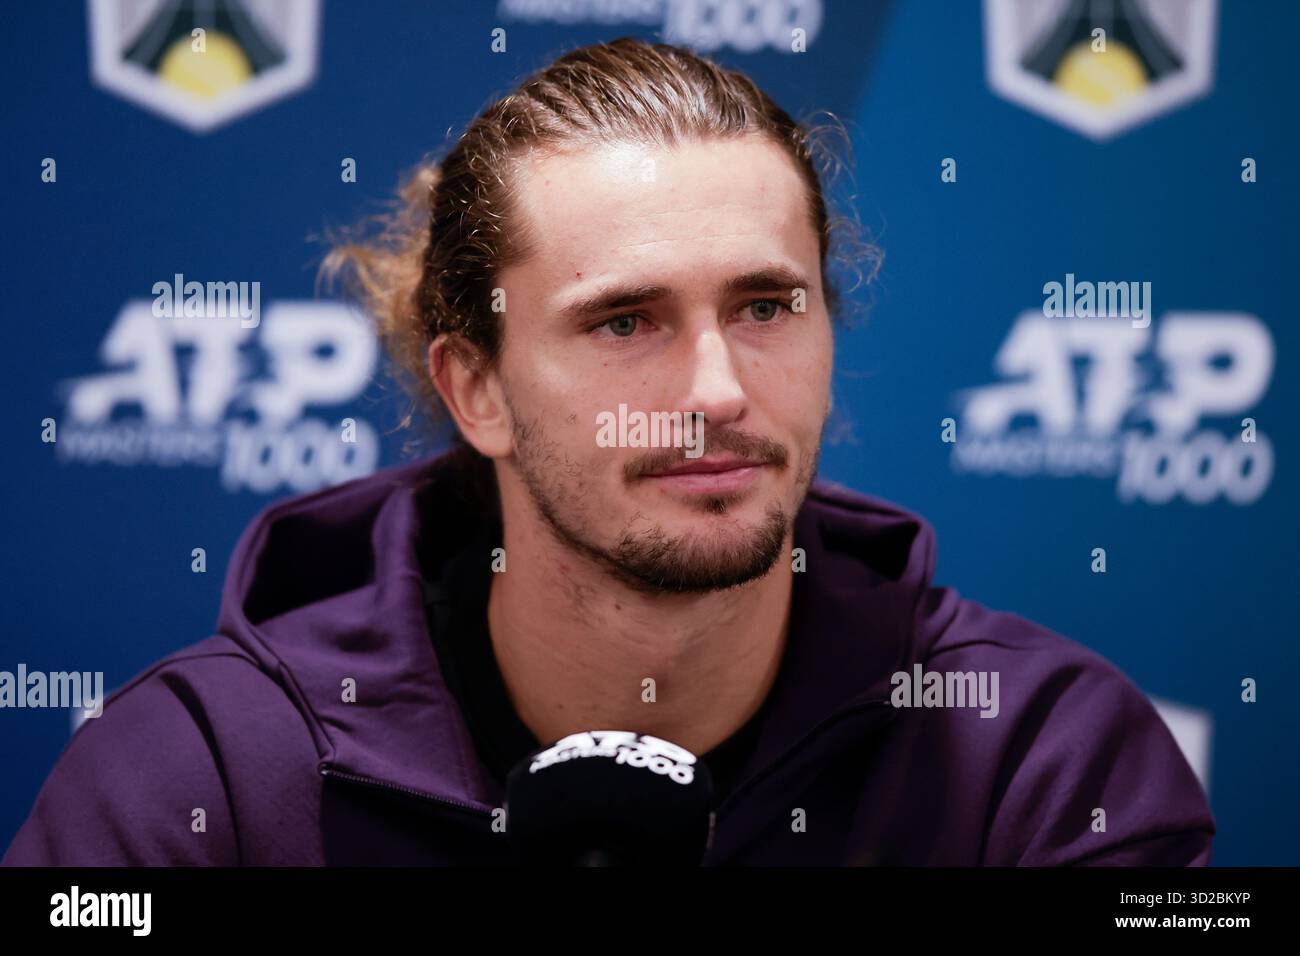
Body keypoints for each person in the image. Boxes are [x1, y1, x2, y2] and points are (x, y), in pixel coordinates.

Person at [3, 37, 1212, 866]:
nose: (716, 391)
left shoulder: (1042, 756)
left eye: (766, 306)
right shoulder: (192, 777)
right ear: (474, 385)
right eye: (625, 320)